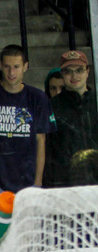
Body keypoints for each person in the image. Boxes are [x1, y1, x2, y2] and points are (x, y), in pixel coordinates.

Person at [0, 44, 55, 192]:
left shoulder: (37, 97)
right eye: (7, 67)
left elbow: (40, 141)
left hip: (28, 183)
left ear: (25, 66)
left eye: (16, 67)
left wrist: (37, 184)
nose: (11, 72)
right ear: (0, 66)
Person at [45, 51, 98, 188]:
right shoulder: (51, 107)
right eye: (68, 71)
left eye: (79, 70)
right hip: (66, 185)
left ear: (87, 71)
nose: (74, 76)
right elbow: (48, 150)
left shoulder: (96, 102)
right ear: (62, 74)